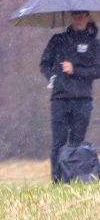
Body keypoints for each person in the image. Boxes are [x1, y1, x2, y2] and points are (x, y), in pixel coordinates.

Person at [39, 10, 100, 183]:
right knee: (58, 143)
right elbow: (44, 63)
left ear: (88, 17)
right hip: (60, 99)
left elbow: (97, 70)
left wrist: (75, 70)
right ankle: (57, 181)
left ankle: (73, 180)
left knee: (76, 143)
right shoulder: (58, 41)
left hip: (83, 100)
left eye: (81, 15)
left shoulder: (95, 45)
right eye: (74, 15)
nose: (77, 18)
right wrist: (54, 77)